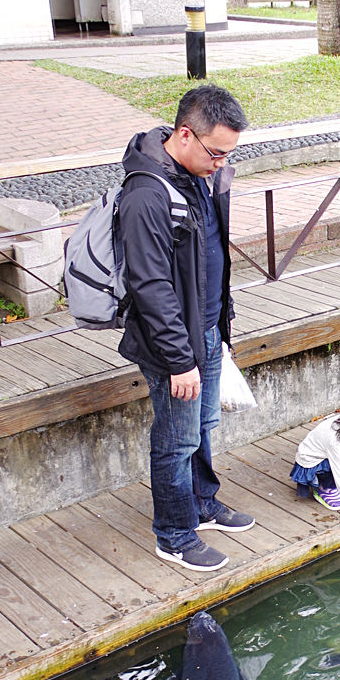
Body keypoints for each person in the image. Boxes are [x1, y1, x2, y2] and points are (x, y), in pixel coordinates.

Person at [118, 84, 252, 573]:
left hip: (208, 331)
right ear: (184, 135)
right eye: (216, 152)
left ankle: (203, 502)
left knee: (203, 428)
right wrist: (179, 359)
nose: (221, 163)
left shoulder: (197, 174)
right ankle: (173, 534)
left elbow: (210, 256)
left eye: (229, 154)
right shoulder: (147, 196)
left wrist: (221, 324)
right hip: (174, 348)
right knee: (175, 441)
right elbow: (150, 286)